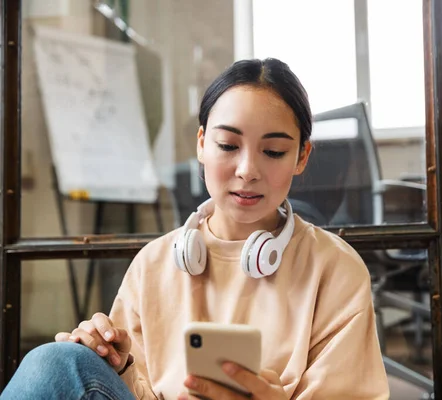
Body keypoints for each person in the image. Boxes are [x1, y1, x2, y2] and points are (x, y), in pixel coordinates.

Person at [1, 58, 389, 399]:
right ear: (202, 144)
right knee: (56, 361)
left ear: (302, 156)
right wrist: (118, 366)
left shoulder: (334, 269)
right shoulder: (154, 263)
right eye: (227, 145)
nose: (247, 170)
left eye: (273, 151)